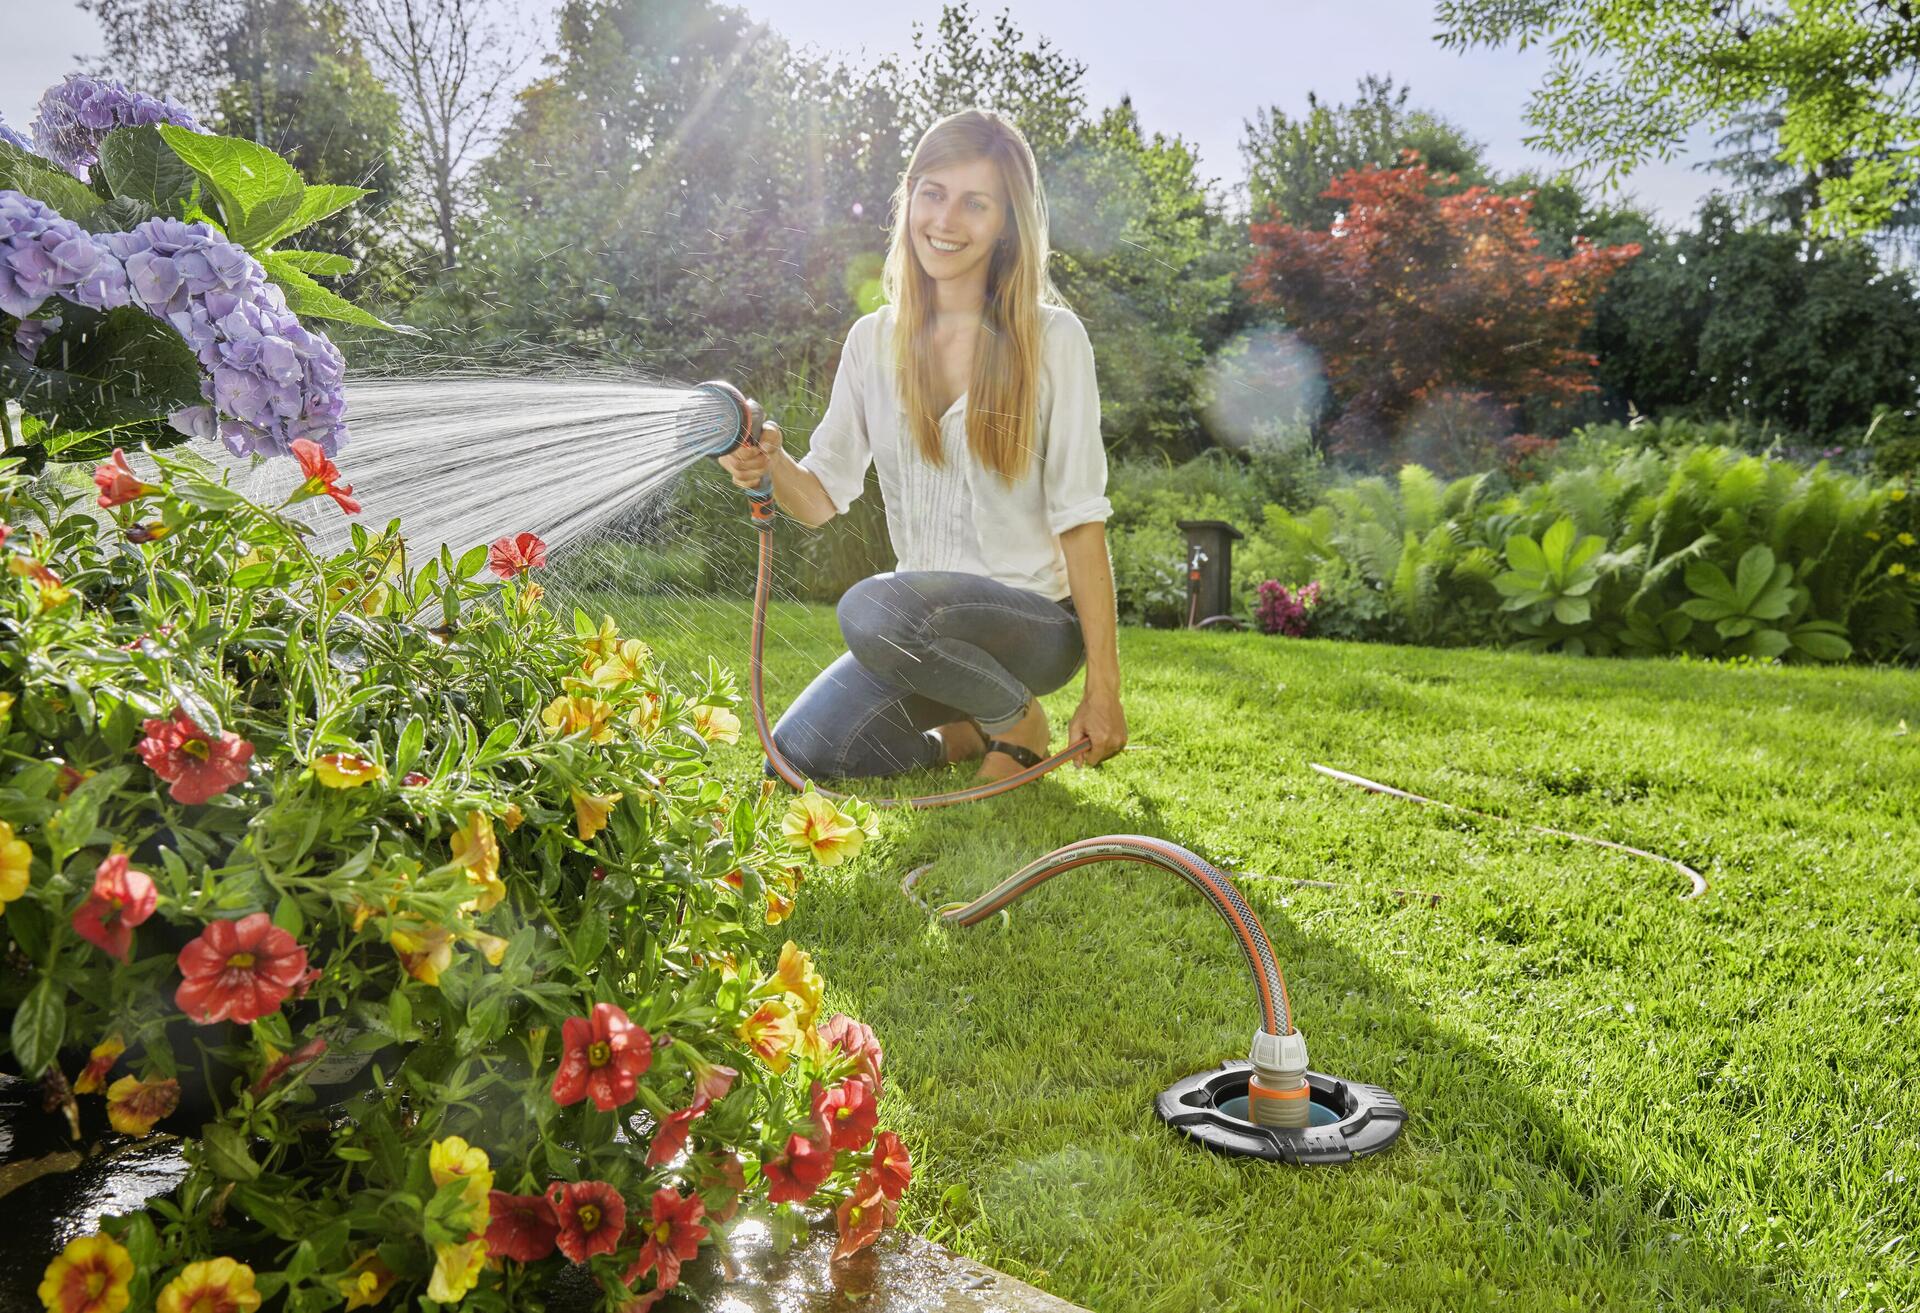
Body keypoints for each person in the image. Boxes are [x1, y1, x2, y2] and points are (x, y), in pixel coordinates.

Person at [719, 108, 1126, 784]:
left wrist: (1104, 689)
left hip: (1032, 628)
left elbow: (1081, 522)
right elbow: (821, 496)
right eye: (932, 193)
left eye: (976, 203)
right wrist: (768, 464)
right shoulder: (874, 342)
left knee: (875, 607)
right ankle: (960, 737)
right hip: (916, 634)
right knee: (796, 758)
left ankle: (1014, 716)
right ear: (908, 199)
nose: (946, 220)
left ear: (1006, 225)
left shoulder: (1054, 340)